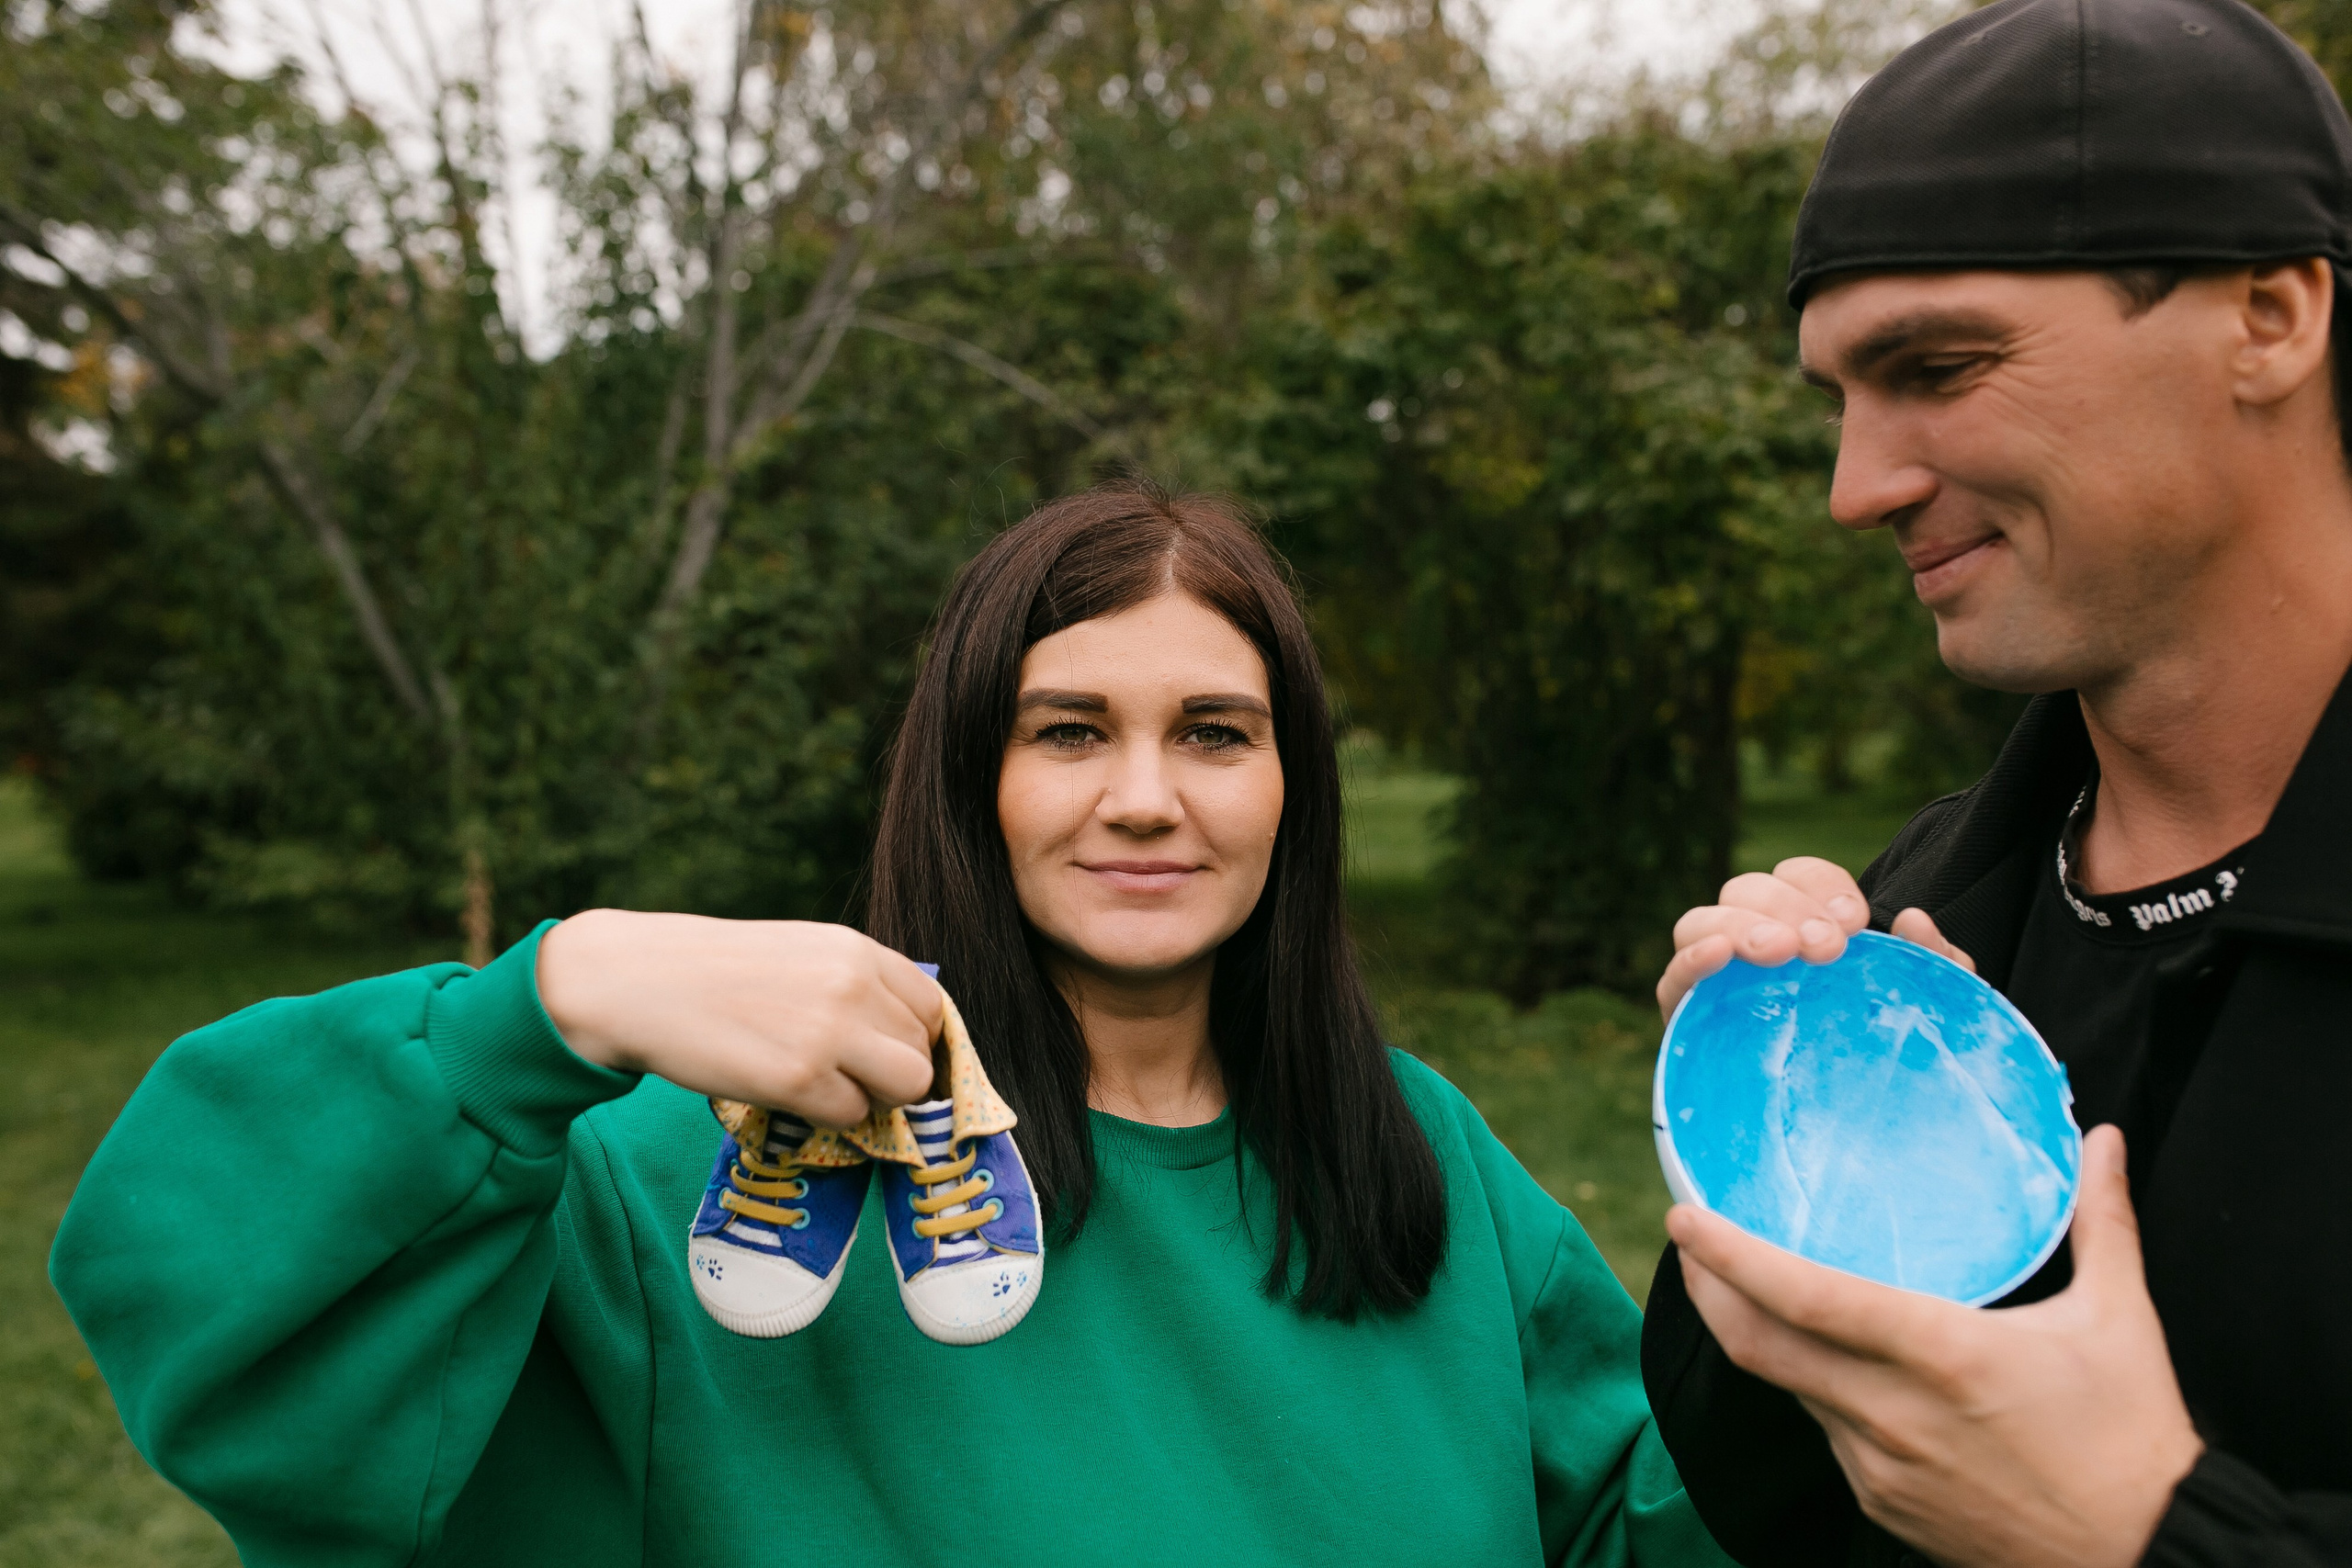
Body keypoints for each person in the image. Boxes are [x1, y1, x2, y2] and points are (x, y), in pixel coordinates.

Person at [52, 479, 1733, 1568]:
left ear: (1294, 788)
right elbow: (203, 1324)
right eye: (1068, 730)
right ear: (968, 780)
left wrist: (1845, 1209)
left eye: (1215, 732)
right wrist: (544, 1010)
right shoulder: (694, 1182)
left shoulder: (1417, 1146)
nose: (1146, 798)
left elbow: (1655, 1533)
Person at [1638, 3, 2352, 1566]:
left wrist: (2135, 1537)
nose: (1856, 487)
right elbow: (1766, 1509)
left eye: (1939, 365)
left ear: (2271, 313)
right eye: (1841, 399)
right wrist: (1810, 1173)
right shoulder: (1934, 908)